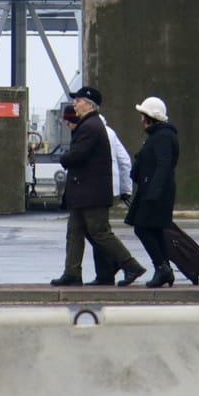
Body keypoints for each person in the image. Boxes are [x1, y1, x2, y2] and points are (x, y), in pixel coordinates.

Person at [52, 86, 147, 287]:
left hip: (91, 193)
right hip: (83, 192)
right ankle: (72, 273)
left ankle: (131, 265)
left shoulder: (90, 127)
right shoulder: (89, 125)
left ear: (89, 104)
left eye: (77, 100)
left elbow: (78, 155)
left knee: (100, 232)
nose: (74, 104)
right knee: (74, 233)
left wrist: (64, 158)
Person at [126, 96, 179, 288]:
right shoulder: (160, 135)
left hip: (155, 191)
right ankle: (164, 269)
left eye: (143, 116)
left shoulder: (163, 137)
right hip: (153, 189)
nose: (141, 121)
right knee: (155, 230)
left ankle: (162, 268)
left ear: (150, 118)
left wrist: (154, 191)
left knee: (142, 228)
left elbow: (163, 165)